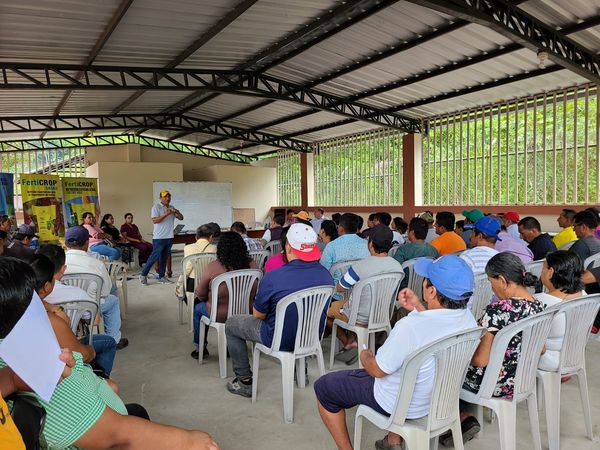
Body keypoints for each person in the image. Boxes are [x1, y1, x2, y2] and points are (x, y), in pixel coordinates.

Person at [0, 257, 220, 450]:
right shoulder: (36, 361)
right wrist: (188, 441)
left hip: (99, 410)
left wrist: (12, 378)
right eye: (36, 300)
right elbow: (117, 437)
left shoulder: (20, 362)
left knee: (137, 411)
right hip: (106, 428)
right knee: (107, 343)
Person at [314, 255, 477, 450]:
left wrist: (365, 355)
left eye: (426, 279)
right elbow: (435, 326)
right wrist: (418, 307)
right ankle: (392, 441)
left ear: (432, 291)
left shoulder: (410, 327)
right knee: (406, 372)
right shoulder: (469, 321)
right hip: (438, 401)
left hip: (398, 404)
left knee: (324, 387)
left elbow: (378, 370)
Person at [224, 223, 334, 398]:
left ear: (288, 247)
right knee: (300, 320)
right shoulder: (326, 276)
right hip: (312, 337)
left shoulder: (273, 277)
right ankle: (302, 373)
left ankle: (244, 382)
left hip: (278, 338)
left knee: (231, 324)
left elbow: (258, 315)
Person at [450, 252, 545, 446]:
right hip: (523, 379)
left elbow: (480, 361)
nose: (492, 288)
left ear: (502, 280)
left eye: (491, 282)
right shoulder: (540, 308)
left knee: (447, 369)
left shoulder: (496, 312)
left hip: (493, 385)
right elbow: (542, 350)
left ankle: (457, 418)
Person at [38, 245, 117, 375]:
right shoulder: (76, 293)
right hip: (71, 348)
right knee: (108, 342)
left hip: (40, 350)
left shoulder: (26, 296)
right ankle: (101, 377)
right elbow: (95, 321)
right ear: (63, 269)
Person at [328, 225, 403, 359]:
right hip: (384, 314)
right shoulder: (397, 266)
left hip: (359, 317)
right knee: (353, 302)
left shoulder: (359, 266)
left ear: (371, 244)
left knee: (326, 312)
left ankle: (348, 343)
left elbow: (340, 288)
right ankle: (353, 340)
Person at [191, 232, 259, 359]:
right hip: (247, 311)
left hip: (219, 313)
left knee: (197, 309)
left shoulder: (213, 266)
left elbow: (200, 293)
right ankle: (231, 345)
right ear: (242, 247)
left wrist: (208, 299)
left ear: (220, 248)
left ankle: (200, 347)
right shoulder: (253, 265)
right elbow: (257, 290)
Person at [64, 226, 128, 350]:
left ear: (66, 243)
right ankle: (113, 340)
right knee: (113, 300)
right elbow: (105, 291)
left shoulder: (59, 262)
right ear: (87, 243)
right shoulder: (96, 264)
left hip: (64, 309)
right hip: (91, 309)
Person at [536, 251, 585, 371]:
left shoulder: (540, 302)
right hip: (575, 356)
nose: (541, 272)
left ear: (550, 272)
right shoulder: (585, 296)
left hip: (548, 359)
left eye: (543, 268)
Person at [140, 190, 183, 285]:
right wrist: (166, 214)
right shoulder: (156, 207)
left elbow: (181, 218)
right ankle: (143, 275)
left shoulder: (171, 207)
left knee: (164, 258)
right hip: (159, 238)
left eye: (169, 196)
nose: (168, 198)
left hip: (169, 237)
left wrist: (177, 212)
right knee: (154, 257)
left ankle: (162, 277)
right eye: (165, 196)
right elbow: (155, 221)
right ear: (160, 198)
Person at [392, 217, 438, 289]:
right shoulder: (433, 250)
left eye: (408, 229)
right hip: (426, 289)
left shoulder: (402, 250)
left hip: (405, 289)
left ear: (412, 232)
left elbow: (395, 271)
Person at [184, 223, 219, 292]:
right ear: (211, 237)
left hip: (193, 284)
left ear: (196, 237)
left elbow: (187, 269)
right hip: (210, 283)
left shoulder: (187, 248)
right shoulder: (215, 248)